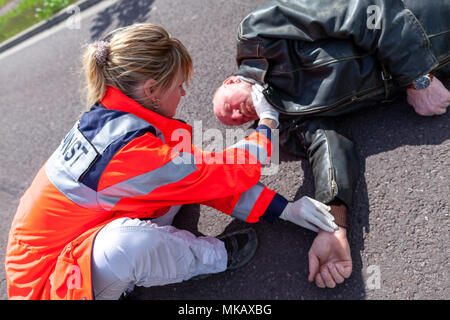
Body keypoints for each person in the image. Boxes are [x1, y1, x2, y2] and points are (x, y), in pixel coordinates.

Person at [4, 23, 338, 300]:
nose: (183, 94)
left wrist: (284, 209)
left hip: (71, 242)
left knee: (177, 186)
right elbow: (218, 172)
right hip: (49, 286)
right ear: (151, 90)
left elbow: (198, 176)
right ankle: (214, 257)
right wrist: (267, 125)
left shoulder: (115, 116)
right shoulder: (128, 153)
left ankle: (135, 263)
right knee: (128, 246)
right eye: (180, 85)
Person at [213, 0, 450, 289]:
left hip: (428, 17)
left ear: (230, 81)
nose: (238, 115)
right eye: (236, 122)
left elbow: (364, 10)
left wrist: (418, 79)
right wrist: (333, 225)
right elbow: (329, 148)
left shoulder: (257, 35)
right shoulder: (286, 123)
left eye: (230, 107)